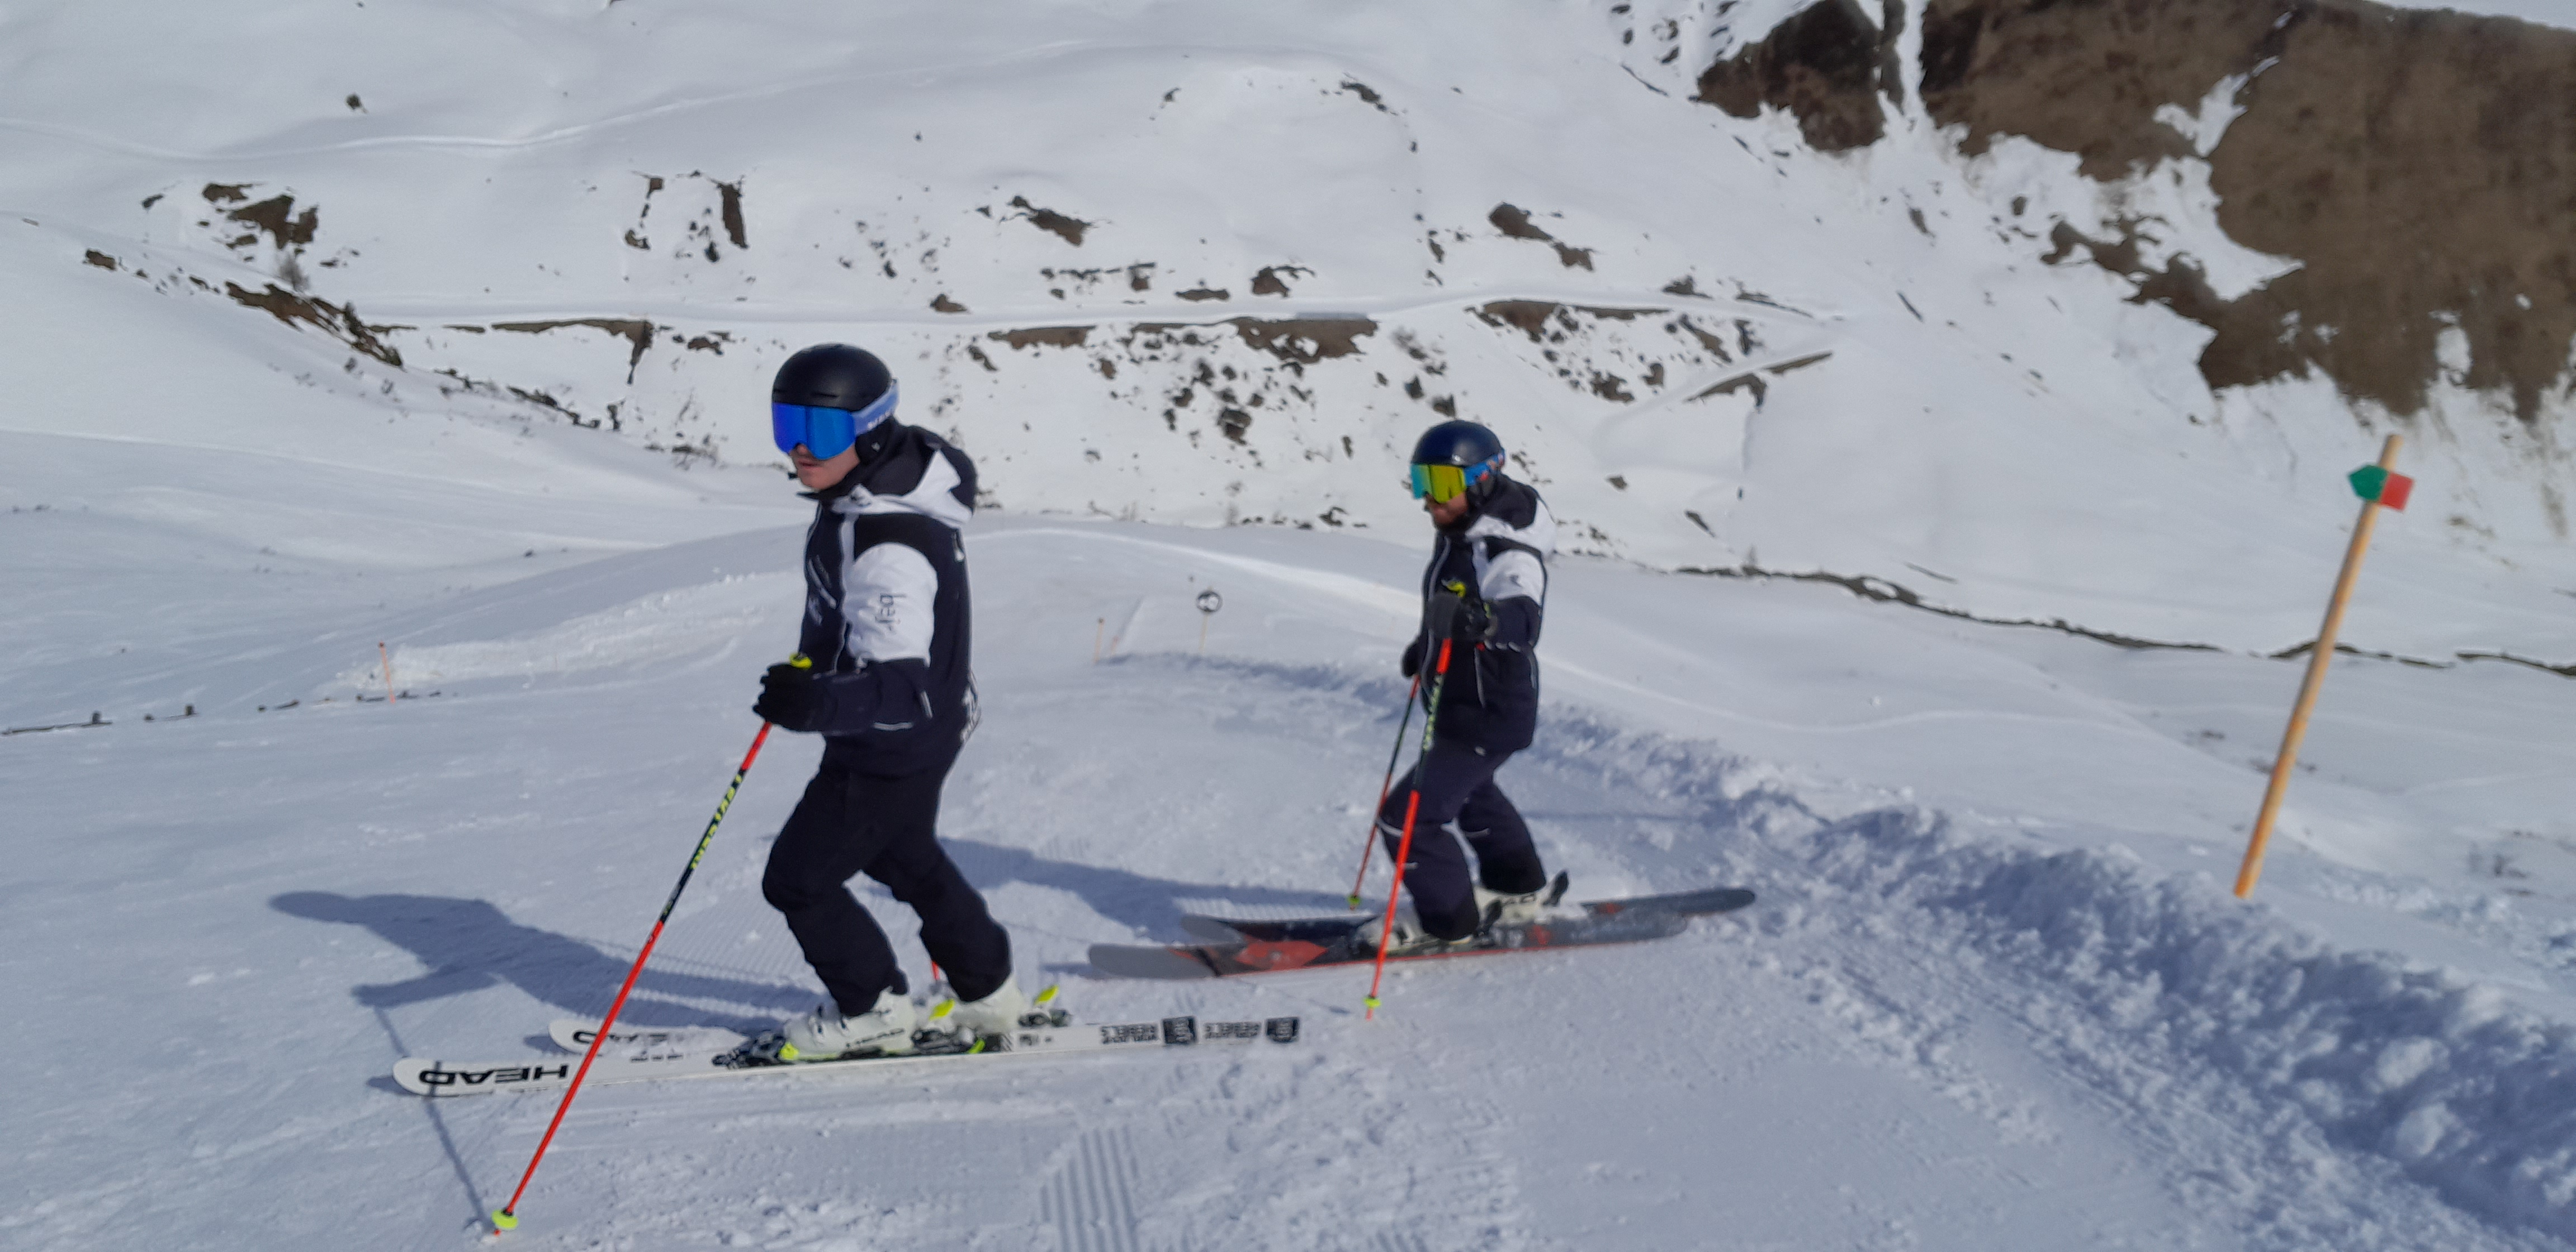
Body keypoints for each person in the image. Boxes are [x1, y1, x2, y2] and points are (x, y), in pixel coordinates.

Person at [749, 343, 1024, 1060]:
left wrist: (818, 704)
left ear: (870, 433)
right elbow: (850, 623)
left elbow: (904, 684)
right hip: (907, 733)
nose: (802, 447)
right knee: (902, 855)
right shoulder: (867, 494)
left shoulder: (888, 541)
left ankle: (871, 1010)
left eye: (822, 430)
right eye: (787, 425)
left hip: (890, 739)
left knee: (798, 880)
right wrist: (814, 671)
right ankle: (988, 989)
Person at [1362, 420, 1559, 954]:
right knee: (1473, 795)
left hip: (1489, 712)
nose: (1428, 499)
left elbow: (1523, 618)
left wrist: (1483, 620)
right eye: (1421, 482)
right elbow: (1453, 602)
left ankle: (1448, 922)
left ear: (1482, 480)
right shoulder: (1461, 529)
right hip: (1462, 702)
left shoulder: (1504, 549)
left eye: (1442, 484)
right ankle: (1517, 887)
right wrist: (1427, 647)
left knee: (1406, 821)